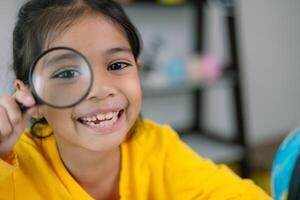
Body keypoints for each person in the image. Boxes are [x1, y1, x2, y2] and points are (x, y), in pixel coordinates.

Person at [0, 0, 271, 199]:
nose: (101, 89)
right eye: (68, 72)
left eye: (117, 65)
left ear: (138, 73)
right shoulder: (12, 167)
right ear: (30, 97)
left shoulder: (157, 146)